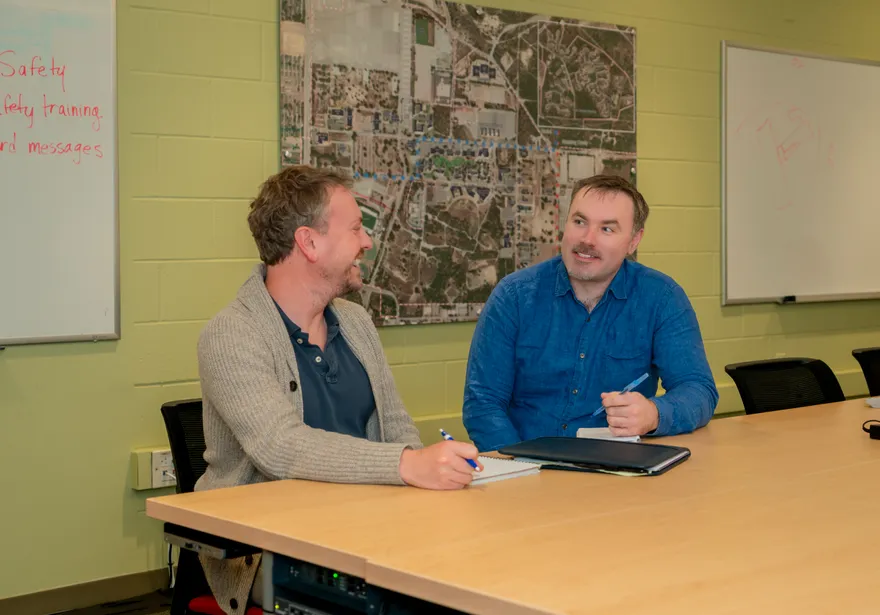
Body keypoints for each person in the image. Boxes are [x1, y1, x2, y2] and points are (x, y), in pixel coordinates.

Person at [194, 165, 481, 615]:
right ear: (308, 243)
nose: (367, 242)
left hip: (370, 524)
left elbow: (396, 425)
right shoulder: (231, 335)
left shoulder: (355, 322)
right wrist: (407, 465)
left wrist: (426, 471)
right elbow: (281, 449)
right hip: (267, 549)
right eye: (355, 229)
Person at [462, 174, 718, 453]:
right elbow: (483, 403)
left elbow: (698, 390)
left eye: (607, 229)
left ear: (634, 241)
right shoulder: (513, 296)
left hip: (618, 471)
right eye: (580, 222)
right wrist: (520, 467)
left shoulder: (662, 298)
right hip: (526, 469)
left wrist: (654, 414)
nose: (587, 239)